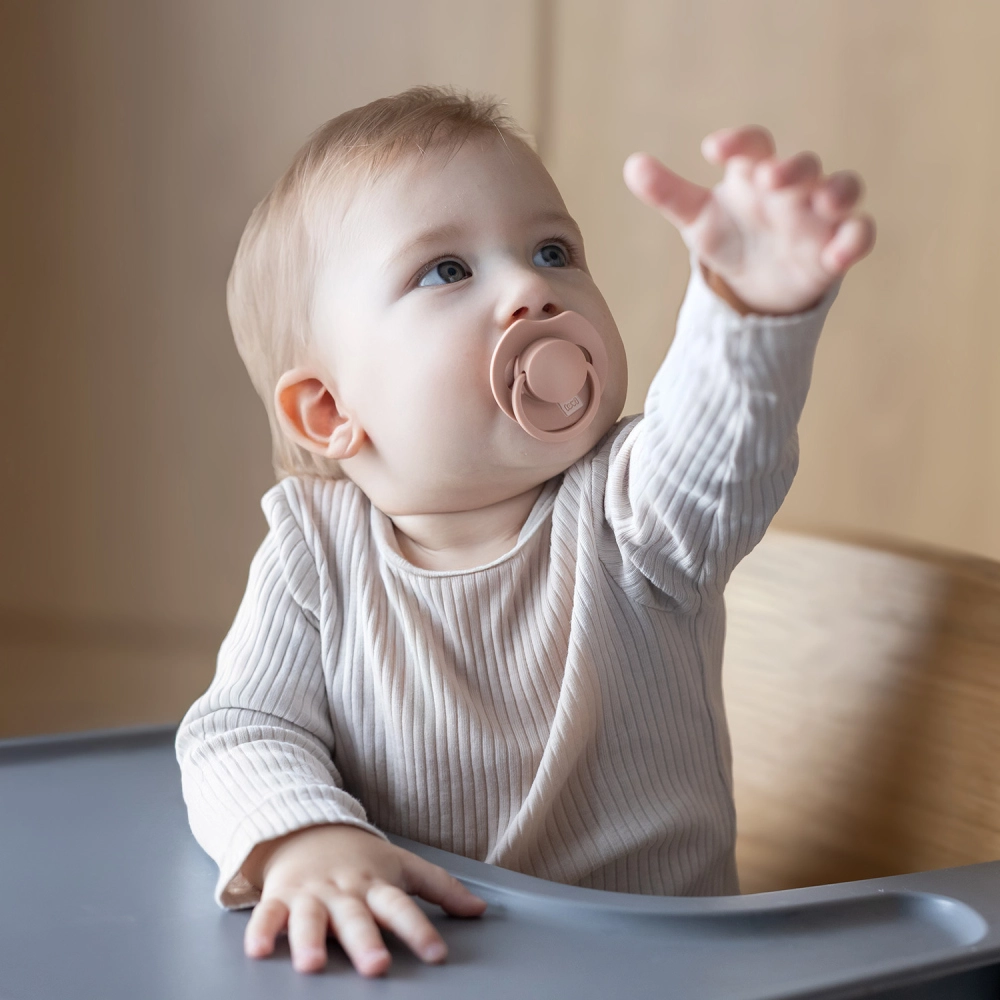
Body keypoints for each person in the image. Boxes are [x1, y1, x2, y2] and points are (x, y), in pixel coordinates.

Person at [175, 85, 875, 978]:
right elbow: (239, 730)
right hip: (423, 962)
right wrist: (305, 839)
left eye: (553, 251)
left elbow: (720, 450)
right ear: (329, 411)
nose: (530, 288)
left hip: (651, 973)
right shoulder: (314, 553)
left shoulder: (633, 509)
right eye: (446, 270)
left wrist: (749, 312)